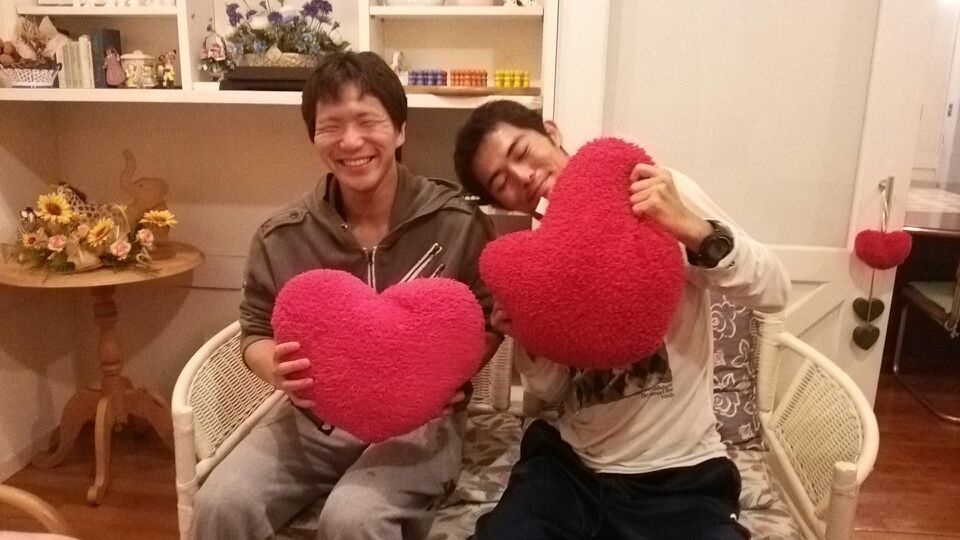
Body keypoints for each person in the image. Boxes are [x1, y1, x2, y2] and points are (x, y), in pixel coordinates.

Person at [191, 51, 500, 540]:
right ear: (314, 138)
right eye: (331, 126)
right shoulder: (282, 236)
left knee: (353, 517)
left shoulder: (457, 222)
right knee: (220, 503)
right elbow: (255, 329)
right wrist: (274, 366)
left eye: (367, 121)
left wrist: (452, 371)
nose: (351, 141)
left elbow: (487, 319)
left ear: (399, 129)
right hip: (312, 422)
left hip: (420, 424)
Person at [453, 100, 790, 540]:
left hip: (679, 476)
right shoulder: (536, 256)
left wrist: (691, 228)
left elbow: (775, 289)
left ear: (550, 132)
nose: (522, 177)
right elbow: (555, 390)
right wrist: (527, 338)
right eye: (502, 183)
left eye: (521, 152)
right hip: (570, 469)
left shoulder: (650, 192)